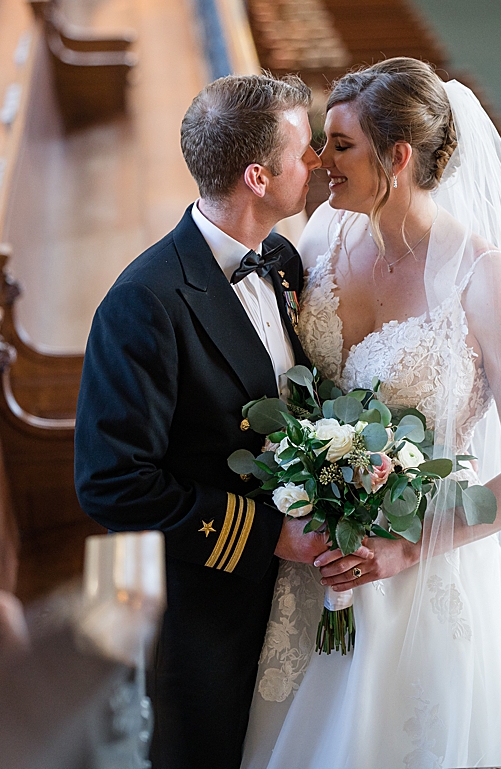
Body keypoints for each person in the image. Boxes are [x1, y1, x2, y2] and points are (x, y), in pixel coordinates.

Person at [240, 58, 501, 769]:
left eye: (341, 145)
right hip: (318, 571)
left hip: (426, 583)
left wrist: (405, 547)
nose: (321, 160)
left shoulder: (485, 280)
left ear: (398, 157)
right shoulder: (320, 235)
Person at [74, 73, 329, 769]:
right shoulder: (145, 302)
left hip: (297, 598)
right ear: (257, 175)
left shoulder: (280, 261)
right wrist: (272, 535)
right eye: (304, 149)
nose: (316, 161)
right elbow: (114, 484)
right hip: (210, 609)